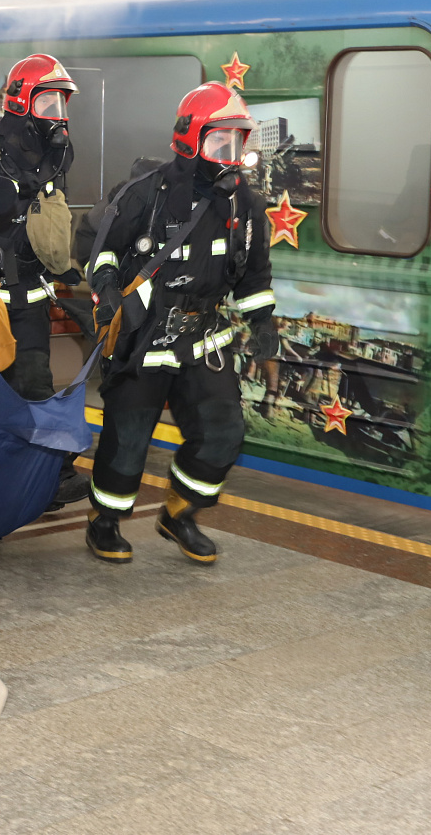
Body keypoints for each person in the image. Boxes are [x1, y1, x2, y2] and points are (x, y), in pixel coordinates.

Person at [75, 81, 280, 564]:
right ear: (190, 139)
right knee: (127, 442)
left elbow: (254, 274)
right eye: (219, 140)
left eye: (237, 140)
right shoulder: (144, 195)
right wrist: (106, 291)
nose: (231, 153)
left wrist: (263, 322)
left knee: (223, 432)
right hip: (141, 338)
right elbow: (95, 245)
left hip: (204, 340)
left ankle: (180, 513)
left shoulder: (246, 207)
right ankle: (103, 521)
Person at [0, 54, 90, 506]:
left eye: (62, 105)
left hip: (28, 298)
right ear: (22, 102)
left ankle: (47, 478)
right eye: (48, 104)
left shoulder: (51, 156)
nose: (58, 117)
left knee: (34, 386)